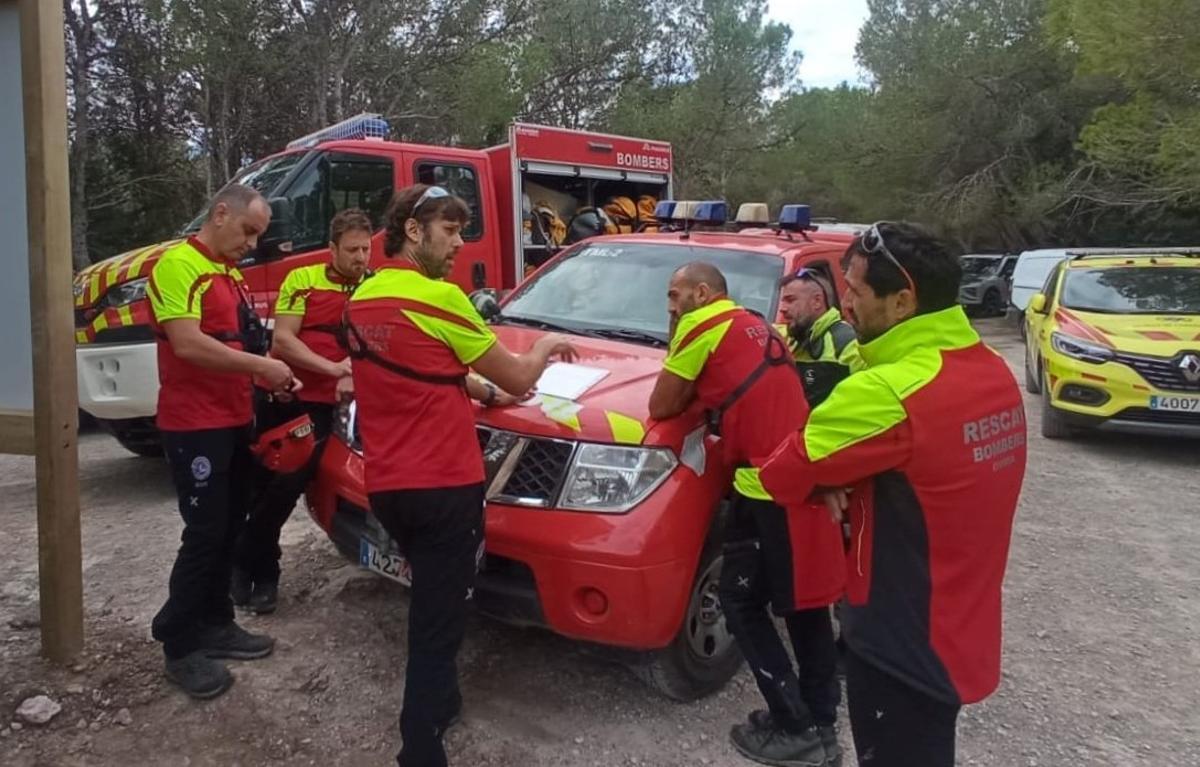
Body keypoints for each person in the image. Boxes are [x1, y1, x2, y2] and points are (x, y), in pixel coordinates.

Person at [755, 222, 1027, 767]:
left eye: (854, 291)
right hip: (959, 618)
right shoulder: (990, 372)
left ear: (902, 301)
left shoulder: (887, 392)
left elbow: (781, 474)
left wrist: (833, 477)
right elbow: (929, 467)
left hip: (897, 632)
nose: (845, 304)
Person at [345, 184, 577, 767]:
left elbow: (420, 366)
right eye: (449, 231)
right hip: (444, 485)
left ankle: (442, 701)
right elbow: (523, 378)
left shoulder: (363, 297)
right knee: (437, 621)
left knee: (431, 597)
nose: (458, 244)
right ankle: (419, 747)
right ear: (414, 231)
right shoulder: (439, 299)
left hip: (388, 482)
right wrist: (548, 343)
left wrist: (479, 390)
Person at [648, 263, 845, 767]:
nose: (670, 306)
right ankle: (819, 723)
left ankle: (796, 725)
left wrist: (678, 341)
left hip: (766, 486)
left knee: (741, 603)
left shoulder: (702, 323)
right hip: (802, 473)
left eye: (674, 296)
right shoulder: (751, 323)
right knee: (804, 606)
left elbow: (663, 403)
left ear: (702, 292)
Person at [148, 184, 296, 699]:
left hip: (234, 418)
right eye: (248, 231)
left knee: (231, 523)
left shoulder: (228, 275)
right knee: (206, 532)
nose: (252, 244)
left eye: (259, 235)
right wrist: (262, 365)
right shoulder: (177, 266)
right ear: (220, 213)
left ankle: (215, 622)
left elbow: (244, 342)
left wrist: (275, 376)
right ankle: (179, 642)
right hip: (194, 425)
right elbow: (187, 343)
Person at [230, 208, 373, 614]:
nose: (360, 258)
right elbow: (285, 341)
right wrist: (334, 368)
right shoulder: (302, 279)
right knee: (263, 485)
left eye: (365, 249)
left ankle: (256, 569)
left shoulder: (374, 285)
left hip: (333, 405)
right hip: (287, 395)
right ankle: (249, 567)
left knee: (288, 486)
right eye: (351, 250)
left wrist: (352, 375)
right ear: (331, 248)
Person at [778, 268, 864, 405]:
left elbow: (861, 402)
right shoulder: (787, 336)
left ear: (817, 301)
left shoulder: (847, 343)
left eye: (790, 300)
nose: (782, 308)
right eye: (782, 301)